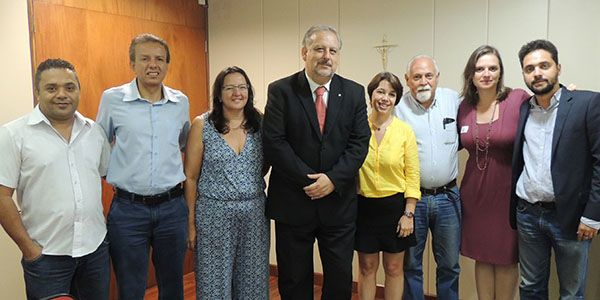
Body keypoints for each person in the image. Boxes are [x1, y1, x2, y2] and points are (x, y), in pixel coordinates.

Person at [262, 24, 370, 299]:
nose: (326, 56)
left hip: (338, 203)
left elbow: (359, 143)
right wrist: (311, 181)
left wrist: (332, 180)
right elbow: (275, 142)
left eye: (333, 50)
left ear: (339, 56)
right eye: (319, 49)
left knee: (338, 280)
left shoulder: (355, 93)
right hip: (294, 201)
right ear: (304, 52)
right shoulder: (281, 91)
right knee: (294, 278)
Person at [0, 59, 110, 300]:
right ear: (37, 92)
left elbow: (104, 176)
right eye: (51, 88)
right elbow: (2, 197)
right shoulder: (13, 135)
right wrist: (29, 250)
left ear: (78, 90)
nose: (62, 94)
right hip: (46, 257)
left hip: (95, 251)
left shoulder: (94, 132)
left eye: (70, 87)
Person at [96, 33, 190, 299]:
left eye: (160, 59)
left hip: (172, 208)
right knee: (131, 287)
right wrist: (115, 175)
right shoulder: (113, 99)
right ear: (132, 63)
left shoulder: (180, 102)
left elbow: (183, 143)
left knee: (173, 285)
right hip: (128, 211)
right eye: (145, 58)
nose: (153, 64)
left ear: (167, 64)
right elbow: (99, 144)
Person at [510, 39, 600, 299]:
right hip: (527, 214)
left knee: (572, 292)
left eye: (544, 65)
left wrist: (593, 215)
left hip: (571, 218)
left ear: (558, 67)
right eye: (529, 69)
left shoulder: (587, 104)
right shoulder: (523, 108)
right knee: (530, 287)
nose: (537, 73)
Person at [184, 66, 269, 299]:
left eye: (242, 87)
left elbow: (264, 166)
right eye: (229, 87)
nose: (237, 93)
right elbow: (190, 177)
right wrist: (190, 223)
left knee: (253, 281)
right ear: (219, 94)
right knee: (214, 283)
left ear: (249, 92)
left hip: (254, 213)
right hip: (213, 214)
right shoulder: (203, 125)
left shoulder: (260, 123)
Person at [457, 45, 530, 300]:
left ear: (500, 72)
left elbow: (548, 107)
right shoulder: (463, 107)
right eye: (480, 68)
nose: (486, 73)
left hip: (508, 195)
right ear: (471, 74)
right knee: (483, 256)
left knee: (507, 258)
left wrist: (568, 93)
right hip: (474, 195)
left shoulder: (518, 99)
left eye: (492, 68)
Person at [395, 55, 461, 300]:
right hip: (413, 200)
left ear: (437, 78)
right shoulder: (398, 109)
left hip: (448, 198)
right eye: (417, 77)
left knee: (450, 265)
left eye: (428, 76)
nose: (423, 82)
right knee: (411, 264)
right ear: (407, 80)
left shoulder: (453, 100)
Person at [356, 72, 420, 299]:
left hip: (395, 208)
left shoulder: (405, 131)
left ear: (397, 99)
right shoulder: (357, 128)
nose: (385, 98)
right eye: (380, 91)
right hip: (363, 207)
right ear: (371, 93)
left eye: (392, 94)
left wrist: (409, 214)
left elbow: (412, 175)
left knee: (394, 269)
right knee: (366, 268)